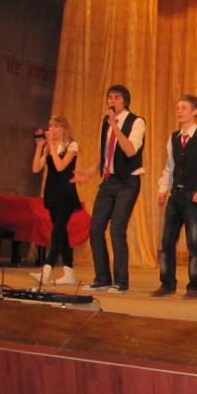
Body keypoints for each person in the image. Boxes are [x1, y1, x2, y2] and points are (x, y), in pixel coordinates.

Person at [73, 84, 146, 293]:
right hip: (108, 180)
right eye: (110, 97)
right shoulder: (107, 123)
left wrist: (115, 126)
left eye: (116, 97)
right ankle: (102, 278)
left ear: (125, 101)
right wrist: (90, 171)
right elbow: (108, 152)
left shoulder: (136, 122)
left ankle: (121, 282)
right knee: (95, 228)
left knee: (116, 230)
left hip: (128, 181)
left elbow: (130, 150)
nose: (112, 101)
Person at [151, 95, 197, 299]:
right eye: (178, 108)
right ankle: (167, 283)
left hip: (193, 196)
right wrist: (163, 188)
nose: (179, 111)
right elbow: (169, 167)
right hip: (175, 196)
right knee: (167, 243)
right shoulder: (174, 137)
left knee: (194, 243)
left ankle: (194, 286)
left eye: (184, 108)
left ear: (195, 111)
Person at [29, 116, 81, 285]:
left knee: (57, 231)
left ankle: (46, 270)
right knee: (61, 232)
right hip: (52, 192)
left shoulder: (72, 145)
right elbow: (36, 169)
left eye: (56, 127)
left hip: (66, 193)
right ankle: (69, 272)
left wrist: (51, 145)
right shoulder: (49, 147)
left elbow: (60, 167)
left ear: (64, 129)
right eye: (50, 127)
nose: (52, 130)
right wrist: (39, 147)